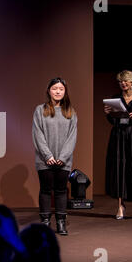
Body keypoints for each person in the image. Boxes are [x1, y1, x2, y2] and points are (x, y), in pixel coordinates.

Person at [32, 77, 77, 236]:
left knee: (61, 191)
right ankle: (44, 222)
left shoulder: (70, 111)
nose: (58, 91)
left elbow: (72, 137)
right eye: (54, 88)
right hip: (45, 160)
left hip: (63, 160)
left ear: (65, 92)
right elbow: (38, 134)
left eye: (61, 89)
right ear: (49, 91)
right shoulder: (40, 110)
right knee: (45, 190)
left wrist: (63, 157)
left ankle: (60, 222)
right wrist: (47, 155)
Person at [104, 70, 132, 220]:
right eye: (120, 81)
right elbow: (113, 121)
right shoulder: (115, 98)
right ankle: (120, 206)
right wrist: (108, 114)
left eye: (125, 81)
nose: (123, 83)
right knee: (120, 168)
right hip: (118, 136)